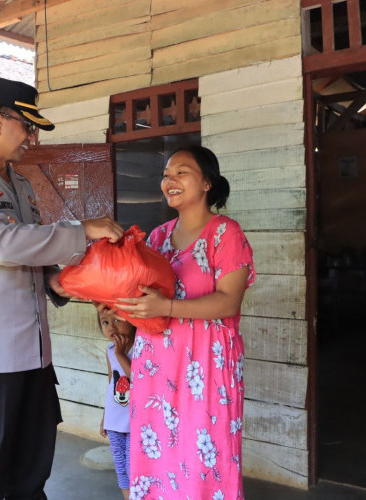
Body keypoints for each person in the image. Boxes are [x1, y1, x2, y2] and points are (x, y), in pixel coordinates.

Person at [0, 77, 124, 499]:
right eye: (28, 125)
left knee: (31, 475)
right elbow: (3, 245)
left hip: (33, 358)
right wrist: (82, 230)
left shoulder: (20, 184)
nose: (32, 137)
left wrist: (65, 281)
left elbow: (29, 260)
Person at [115, 146, 255, 499]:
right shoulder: (158, 237)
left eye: (181, 172)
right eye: (166, 174)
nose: (169, 180)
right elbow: (146, 296)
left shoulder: (225, 233)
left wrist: (167, 306)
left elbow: (228, 301)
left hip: (206, 366)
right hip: (157, 365)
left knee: (205, 454)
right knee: (159, 451)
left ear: (207, 182)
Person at [97, 308, 135, 500]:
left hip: (135, 421)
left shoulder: (141, 347)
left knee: (132, 466)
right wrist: (105, 417)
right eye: (105, 322)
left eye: (118, 320)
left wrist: (121, 355)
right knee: (121, 467)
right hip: (115, 420)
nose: (111, 327)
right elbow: (112, 383)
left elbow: (139, 378)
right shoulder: (110, 351)